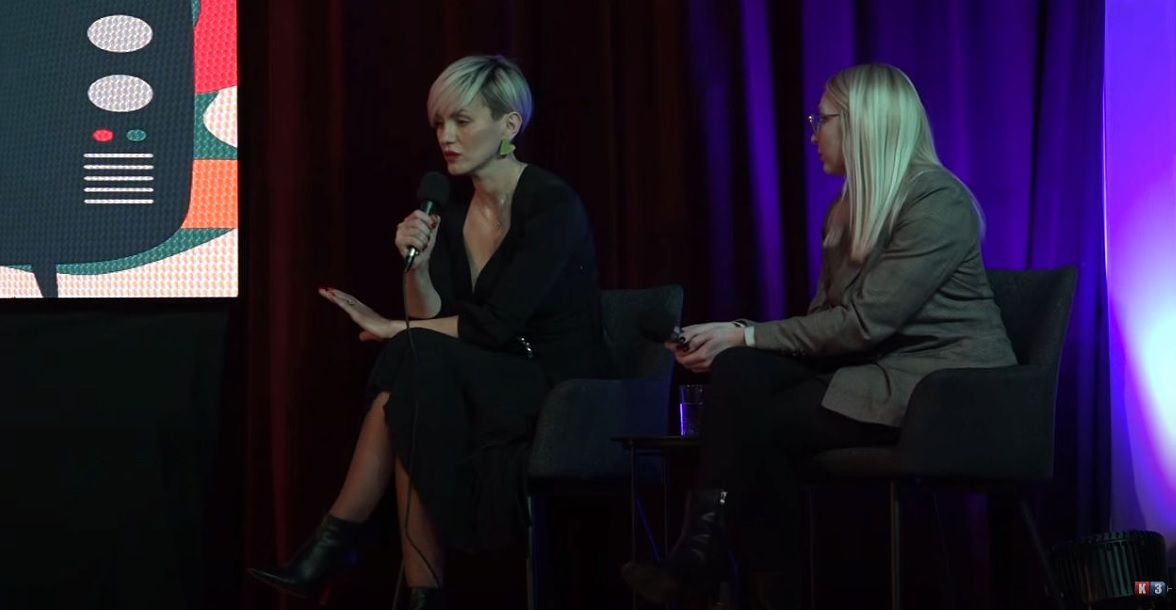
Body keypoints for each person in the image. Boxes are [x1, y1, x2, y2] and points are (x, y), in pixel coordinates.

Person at [620, 63, 1018, 609]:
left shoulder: (937, 203)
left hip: (945, 387)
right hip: (878, 371)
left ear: (863, 126)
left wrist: (746, 336)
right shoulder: (845, 209)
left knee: (759, 423)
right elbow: (826, 321)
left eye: (821, 119)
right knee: (741, 376)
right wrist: (735, 340)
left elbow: (863, 323)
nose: (812, 133)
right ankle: (701, 557)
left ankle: (718, 569)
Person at [248, 54, 612, 610]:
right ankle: (416, 594)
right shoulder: (454, 209)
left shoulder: (551, 204)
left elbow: (496, 323)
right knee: (413, 382)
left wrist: (392, 327)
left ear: (509, 125)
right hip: (486, 371)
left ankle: (338, 544)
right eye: (440, 123)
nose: (446, 136)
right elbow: (431, 319)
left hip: (559, 385)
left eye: (462, 121)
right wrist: (415, 267)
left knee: (412, 368)